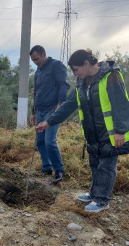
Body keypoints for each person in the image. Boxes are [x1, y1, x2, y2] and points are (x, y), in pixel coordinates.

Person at [36, 49, 129, 212]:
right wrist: (49, 122)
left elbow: (121, 104)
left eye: (76, 70)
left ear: (86, 64)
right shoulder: (81, 83)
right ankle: (94, 194)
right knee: (94, 163)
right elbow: (68, 105)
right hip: (92, 131)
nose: (75, 74)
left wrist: (121, 130)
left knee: (106, 166)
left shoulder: (110, 76)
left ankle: (102, 200)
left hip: (110, 132)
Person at [29, 45, 70, 184]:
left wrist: (61, 103)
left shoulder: (56, 65)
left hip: (53, 109)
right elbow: (36, 92)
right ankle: (47, 167)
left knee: (49, 141)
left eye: (37, 59)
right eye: (33, 60)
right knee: (40, 141)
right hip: (40, 110)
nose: (35, 62)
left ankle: (59, 170)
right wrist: (33, 111)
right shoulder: (38, 72)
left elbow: (63, 84)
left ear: (44, 53)